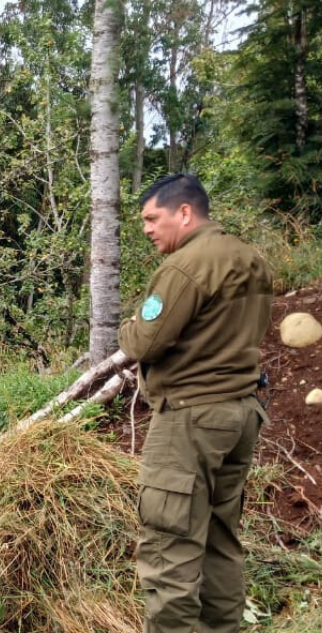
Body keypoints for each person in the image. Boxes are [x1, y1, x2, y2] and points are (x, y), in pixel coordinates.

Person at [119, 174, 273, 633]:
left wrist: (129, 324)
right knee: (220, 541)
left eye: (152, 218)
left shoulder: (185, 266)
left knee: (170, 545)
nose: (147, 229)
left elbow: (143, 342)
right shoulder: (250, 259)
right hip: (240, 413)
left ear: (183, 212)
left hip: (191, 417)